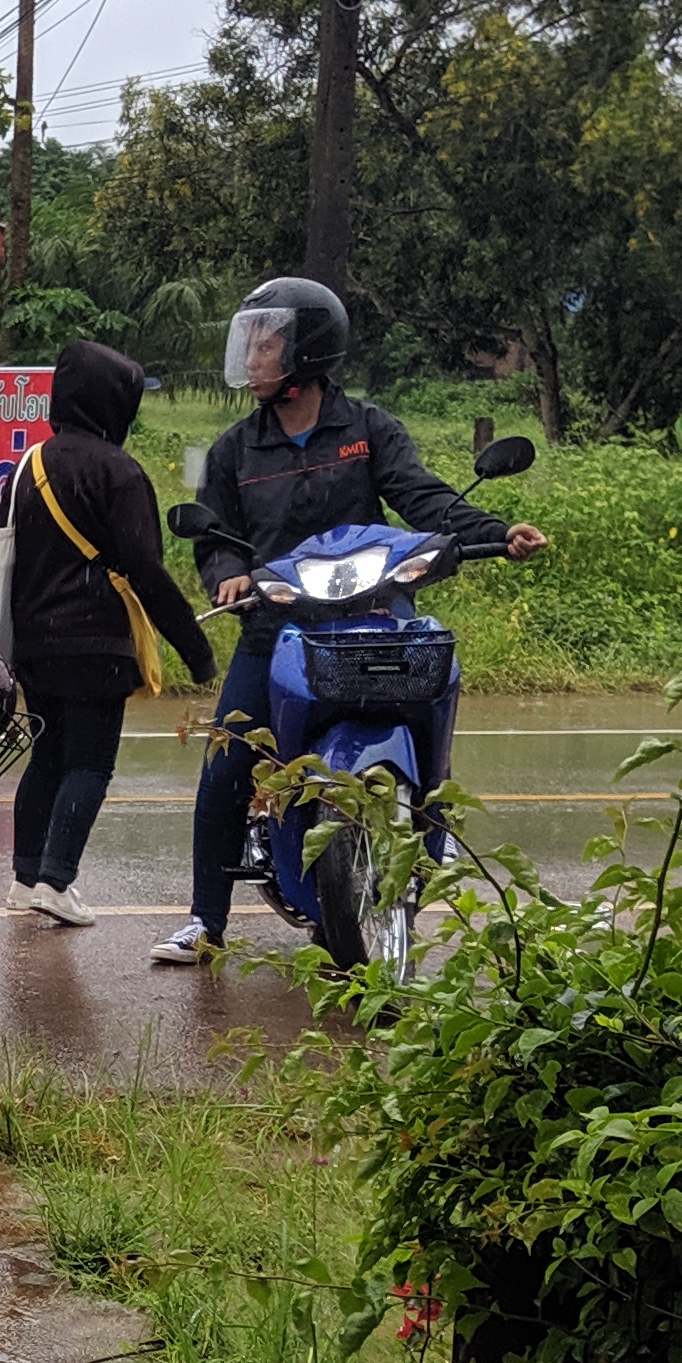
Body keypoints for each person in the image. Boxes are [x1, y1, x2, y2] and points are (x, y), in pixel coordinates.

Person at [154, 276, 548, 966]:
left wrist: (494, 533)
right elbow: (215, 539)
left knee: (429, 730)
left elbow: (423, 498)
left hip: (375, 617)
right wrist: (228, 575)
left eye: (266, 343)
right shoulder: (234, 450)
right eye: (250, 342)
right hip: (277, 627)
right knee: (226, 764)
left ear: (305, 351)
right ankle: (204, 921)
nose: (252, 356)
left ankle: (427, 833)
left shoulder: (368, 431)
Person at [1, 338, 212, 928]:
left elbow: (5, 556)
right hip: (97, 642)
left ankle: (24, 879)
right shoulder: (119, 471)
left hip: (34, 642)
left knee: (47, 757)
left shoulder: (28, 466)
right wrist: (194, 649)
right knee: (90, 763)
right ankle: (56, 880)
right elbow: (145, 569)